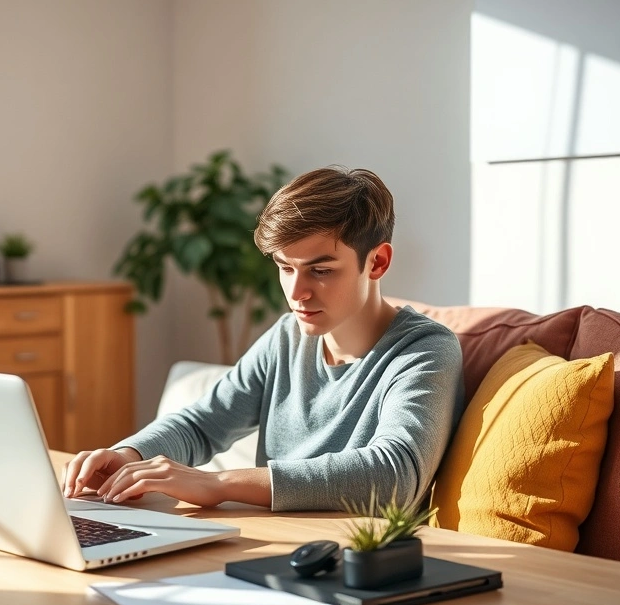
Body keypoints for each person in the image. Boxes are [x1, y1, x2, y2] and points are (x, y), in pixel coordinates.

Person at [62, 166, 464, 511]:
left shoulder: (425, 350)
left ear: (376, 262)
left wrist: (218, 485)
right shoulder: (287, 337)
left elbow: (395, 474)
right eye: (285, 267)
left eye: (320, 271)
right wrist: (127, 455)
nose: (296, 292)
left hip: (355, 562)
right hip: (266, 546)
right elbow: (203, 424)